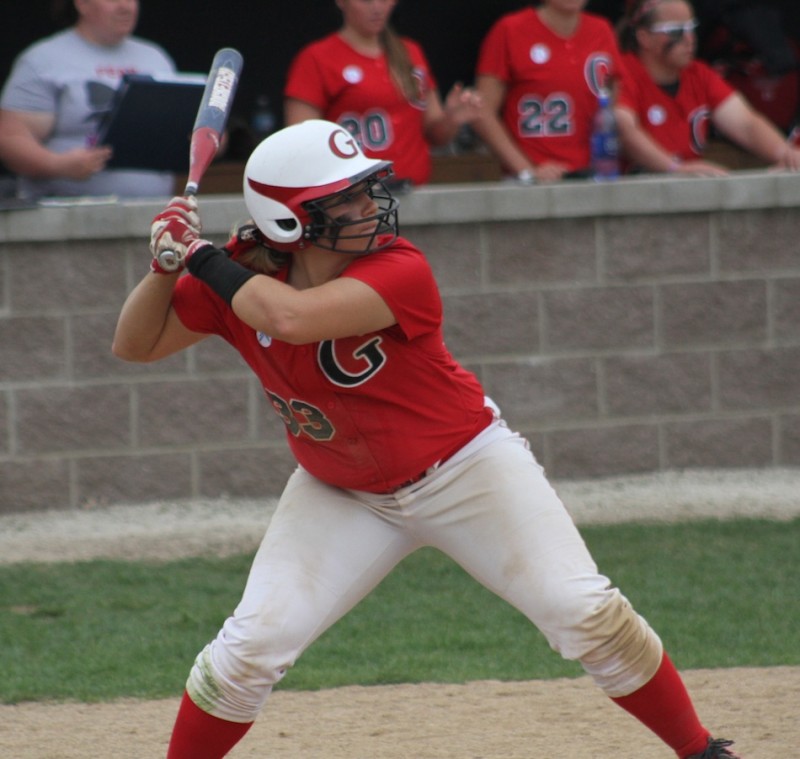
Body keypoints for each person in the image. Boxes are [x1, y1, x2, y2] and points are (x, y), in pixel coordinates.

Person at [113, 119, 742, 759]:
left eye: (365, 189)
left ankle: (699, 750)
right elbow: (134, 346)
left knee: (584, 613)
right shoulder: (236, 279)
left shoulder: (398, 268)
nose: (367, 207)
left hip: (465, 467)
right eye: (343, 200)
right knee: (247, 650)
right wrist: (164, 267)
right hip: (341, 491)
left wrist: (199, 255)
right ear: (286, 222)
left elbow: (290, 319)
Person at [282, 0, 483, 189]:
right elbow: (301, 145)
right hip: (353, 200)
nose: (377, 7)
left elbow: (437, 135)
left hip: (413, 192)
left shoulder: (410, 52)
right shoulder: (316, 58)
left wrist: (453, 118)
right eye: (366, 1)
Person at [0, 0, 176, 199]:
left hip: (153, 214)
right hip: (66, 215)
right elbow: (10, 138)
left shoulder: (156, 57)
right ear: (82, 4)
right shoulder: (44, 59)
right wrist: (58, 165)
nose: (125, 7)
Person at [615, 0, 800, 176]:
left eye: (691, 28)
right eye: (675, 31)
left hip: (689, 188)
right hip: (638, 189)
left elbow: (746, 124)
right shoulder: (624, 73)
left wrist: (786, 154)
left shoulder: (698, 74)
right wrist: (675, 168)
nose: (689, 39)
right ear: (644, 38)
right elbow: (624, 129)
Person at [472, 0, 627, 184]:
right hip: (530, 180)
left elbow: (617, 100)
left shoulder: (601, 29)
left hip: (591, 174)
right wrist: (527, 171)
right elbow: (481, 111)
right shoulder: (510, 29)